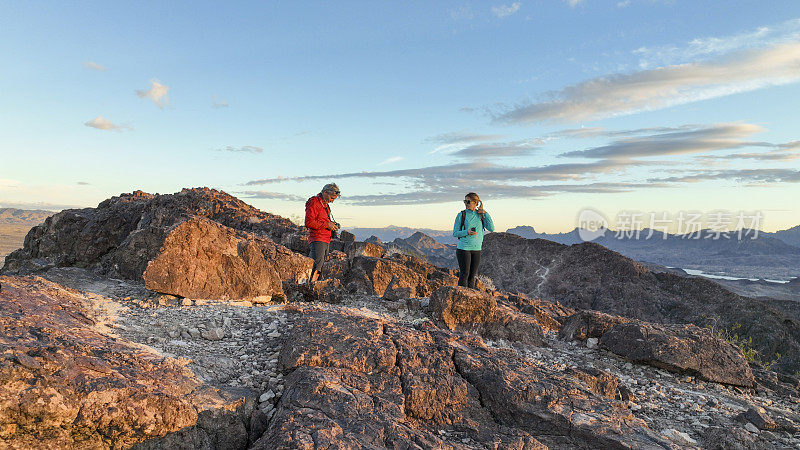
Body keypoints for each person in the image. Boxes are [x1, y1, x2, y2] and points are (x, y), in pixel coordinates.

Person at [452, 192, 495, 288]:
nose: (466, 204)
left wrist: (485, 214)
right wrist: (467, 232)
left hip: (477, 249)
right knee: (464, 274)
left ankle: (468, 298)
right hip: (464, 249)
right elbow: (455, 233)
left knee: (472, 277)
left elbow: (491, 228)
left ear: (475, 203)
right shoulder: (461, 215)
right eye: (465, 201)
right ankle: (461, 297)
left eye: (468, 202)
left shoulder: (480, 215)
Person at [304, 183, 340, 283]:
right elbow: (309, 222)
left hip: (325, 239)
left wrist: (331, 225)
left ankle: (313, 287)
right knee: (316, 266)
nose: (332, 201)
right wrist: (327, 225)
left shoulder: (326, 205)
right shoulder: (314, 202)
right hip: (317, 238)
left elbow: (322, 220)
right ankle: (310, 288)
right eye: (332, 198)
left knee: (320, 265)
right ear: (325, 192)